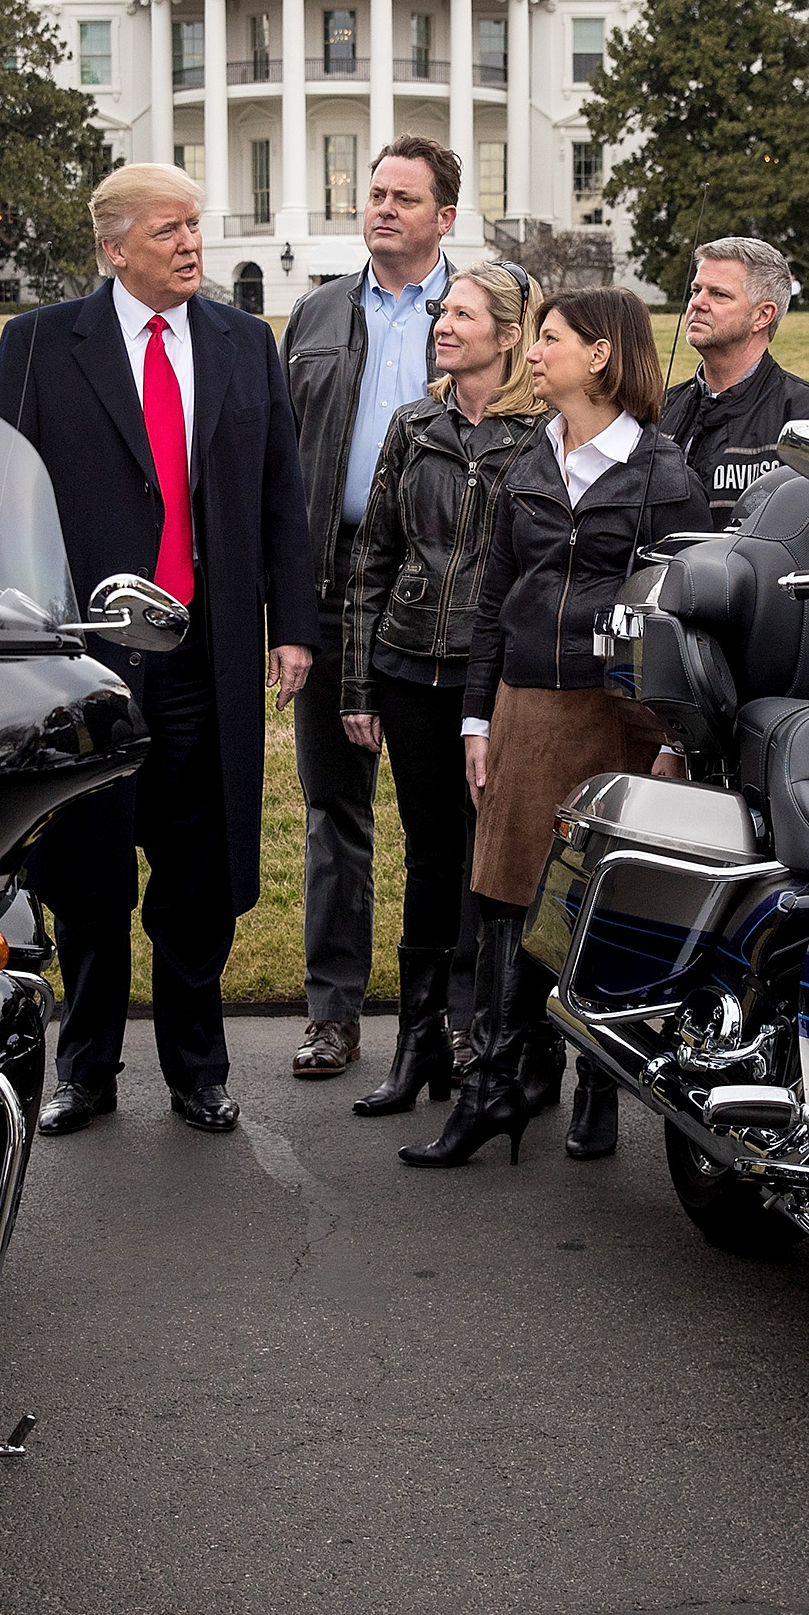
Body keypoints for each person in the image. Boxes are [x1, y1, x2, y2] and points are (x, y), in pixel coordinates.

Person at [0, 164, 317, 1138]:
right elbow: (6, 502)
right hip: (85, 662)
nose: (191, 245)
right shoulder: (43, 342)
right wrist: (19, 639)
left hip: (203, 658)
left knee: (196, 870)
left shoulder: (242, 343)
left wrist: (291, 623)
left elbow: (278, 497)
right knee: (87, 872)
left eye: (195, 227)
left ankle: (198, 1068)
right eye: (169, 229)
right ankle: (84, 1068)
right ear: (115, 246)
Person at [405, 287, 705, 1168]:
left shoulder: (663, 475)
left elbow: (683, 616)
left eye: (552, 339)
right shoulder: (526, 460)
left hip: (618, 716)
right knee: (505, 899)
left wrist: (673, 740)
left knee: (600, 905)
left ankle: (597, 1087)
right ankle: (497, 1087)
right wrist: (474, 716)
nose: (534, 352)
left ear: (602, 355)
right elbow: (494, 601)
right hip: (526, 708)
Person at [335, 260, 550, 1116]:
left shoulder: (538, 435)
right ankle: (417, 1040)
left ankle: (479, 1033)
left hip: (490, 674)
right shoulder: (413, 424)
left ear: (507, 334)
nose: (443, 325)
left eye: (463, 314)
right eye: (442, 314)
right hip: (406, 665)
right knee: (428, 854)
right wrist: (357, 685)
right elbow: (371, 560)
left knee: (489, 859)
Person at [280, 137, 456, 1080]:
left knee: (450, 814)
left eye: (404, 197)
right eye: (374, 193)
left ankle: (450, 1013)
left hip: (443, 584)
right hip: (333, 575)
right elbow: (279, 466)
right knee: (333, 806)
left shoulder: (486, 314)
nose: (382, 208)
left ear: (445, 219)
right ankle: (333, 1011)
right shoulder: (315, 313)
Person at [657, 237, 809, 527]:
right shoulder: (660, 408)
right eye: (696, 290)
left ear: (762, 316)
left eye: (719, 294)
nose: (697, 303)